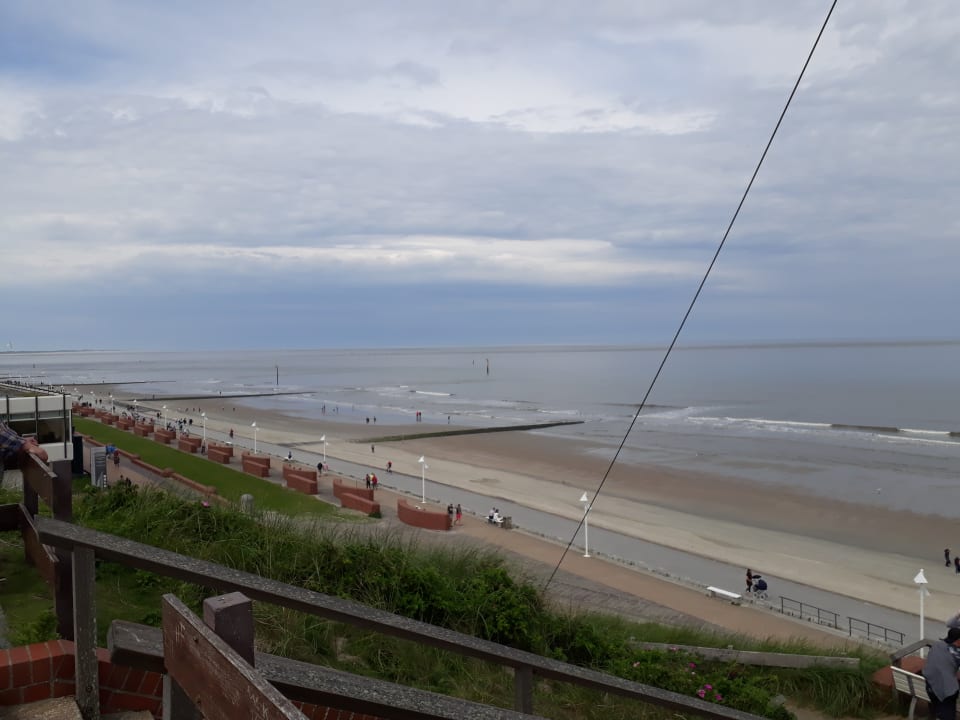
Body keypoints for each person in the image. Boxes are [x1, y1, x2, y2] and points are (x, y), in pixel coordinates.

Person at [924, 627, 960, 720]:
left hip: (931, 686)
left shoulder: (936, 645)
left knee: (939, 711)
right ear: (958, 640)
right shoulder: (957, 653)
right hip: (946, 692)